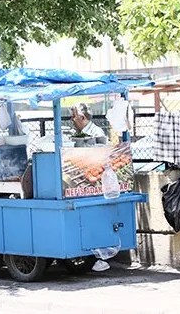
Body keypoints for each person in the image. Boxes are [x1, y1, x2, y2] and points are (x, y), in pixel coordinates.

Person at [69, 103, 110, 272]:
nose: (72, 120)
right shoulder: (77, 133)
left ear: (83, 117)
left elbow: (100, 156)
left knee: (96, 220)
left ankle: (101, 257)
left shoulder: (97, 133)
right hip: (83, 182)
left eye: (74, 116)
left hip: (95, 183)